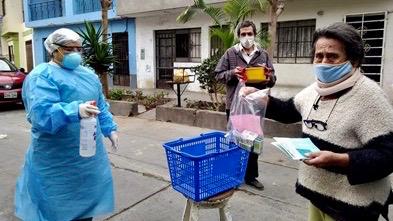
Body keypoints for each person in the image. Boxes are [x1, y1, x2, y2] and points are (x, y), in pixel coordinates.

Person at [241, 22, 393, 220]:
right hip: (317, 195)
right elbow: (289, 111)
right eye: (318, 56)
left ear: (354, 60)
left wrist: (341, 160)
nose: (323, 62)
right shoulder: (315, 90)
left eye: (332, 56)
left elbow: (387, 154)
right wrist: (263, 99)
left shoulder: (370, 97)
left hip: (352, 207)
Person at [14, 28, 119, 221]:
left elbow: (101, 104)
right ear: (54, 49)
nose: (76, 53)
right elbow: (40, 115)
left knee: (85, 209)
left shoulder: (88, 75)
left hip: (88, 158)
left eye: (79, 48)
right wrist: (75, 111)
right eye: (70, 49)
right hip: (55, 159)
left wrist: (109, 128)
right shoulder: (41, 76)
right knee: (57, 210)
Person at [214, 20, 276, 190]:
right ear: (239, 35)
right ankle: (234, 176)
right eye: (243, 34)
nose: (247, 37)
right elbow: (218, 75)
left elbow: (273, 80)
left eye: (249, 33)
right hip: (235, 105)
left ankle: (251, 177)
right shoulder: (230, 53)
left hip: (256, 105)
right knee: (235, 141)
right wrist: (233, 73)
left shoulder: (262, 55)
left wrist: (268, 77)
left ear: (254, 35)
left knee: (253, 142)